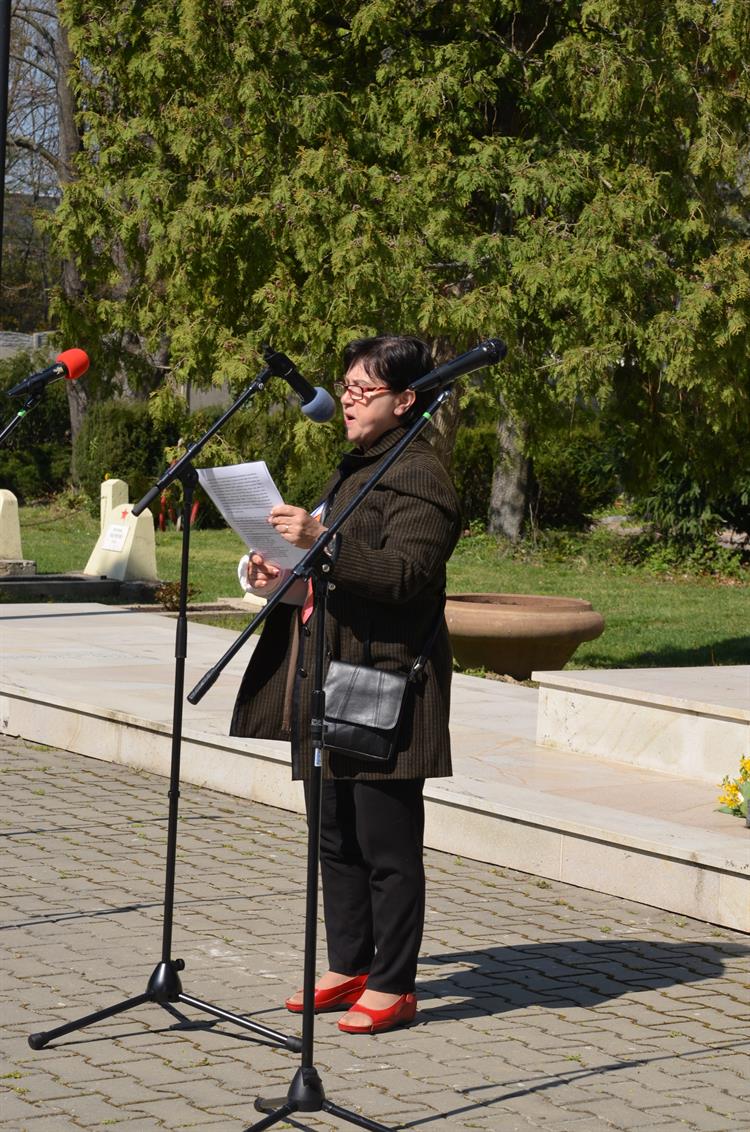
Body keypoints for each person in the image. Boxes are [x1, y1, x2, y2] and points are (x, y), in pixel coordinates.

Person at [231, 335, 461, 1034]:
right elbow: (332, 562)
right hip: (326, 670)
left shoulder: (422, 476)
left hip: (382, 675)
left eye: (365, 391)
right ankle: (350, 961)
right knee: (333, 832)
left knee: (386, 841)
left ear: (405, 400)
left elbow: (402, 576)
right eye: (347, 388)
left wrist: (320, 543)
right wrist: (279, 568)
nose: (349, 402)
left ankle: (395, 983)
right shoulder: (357, 466)